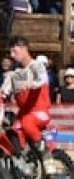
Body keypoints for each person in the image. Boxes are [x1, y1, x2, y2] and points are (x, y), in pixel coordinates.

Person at [0, 37, 52, 167]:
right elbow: (3, 92)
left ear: (24, 49)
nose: (12, 56)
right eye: (11, 52)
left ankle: (45, 154)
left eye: (14, 51)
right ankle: (22, 159)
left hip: (40, 111)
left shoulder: (37, 65)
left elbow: (43, 78)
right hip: (23, 113)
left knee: (26, 122)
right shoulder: (13, 74)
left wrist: (31, 84)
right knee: (12, 131)